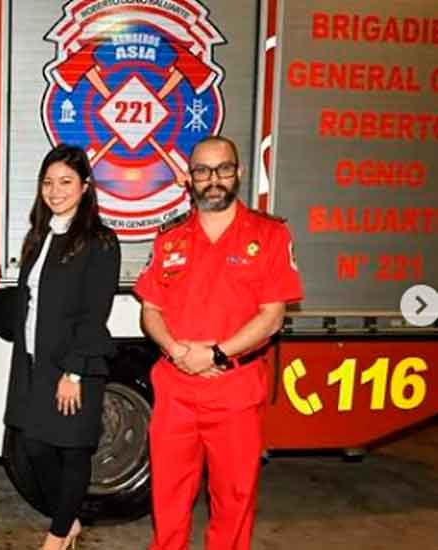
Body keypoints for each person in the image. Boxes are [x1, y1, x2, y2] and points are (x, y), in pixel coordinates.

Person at [0, 143, 120, 550]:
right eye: (48, 183)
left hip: (74, 363)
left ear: (86, 187)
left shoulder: (100, 241)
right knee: (35, 444)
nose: (55, 191)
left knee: (72, 452)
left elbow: (95, 313)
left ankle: (56, 536)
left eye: (66, 182)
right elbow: (28, 297)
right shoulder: (40, 236)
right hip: (35, 363)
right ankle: (68, 519)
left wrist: (74, 372)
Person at [134, 135, 304, 550]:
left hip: (234, 392)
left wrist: (215, 354)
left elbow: (272, 315)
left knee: (234, 501)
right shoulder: (169, 238)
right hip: (175, 391)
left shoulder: (269, 235)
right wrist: (178, 351)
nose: (213, 180)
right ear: (190, 178)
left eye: (223, 169)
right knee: (169, 501)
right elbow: (150, 310)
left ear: (238, 173)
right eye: (203, 171)